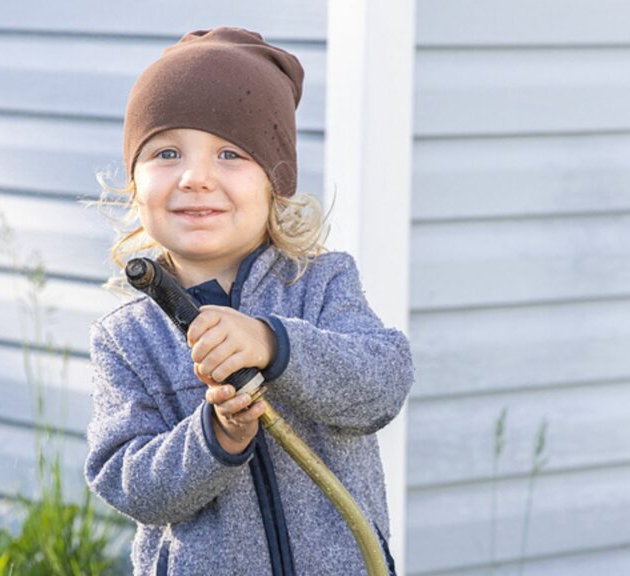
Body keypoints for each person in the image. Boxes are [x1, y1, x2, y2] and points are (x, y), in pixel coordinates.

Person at [84, 27, 413, 575]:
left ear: (275, 182)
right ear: (134, 184)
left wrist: (273, 343)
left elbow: (382, 385)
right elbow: (126, 480)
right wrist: (213, 438)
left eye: (231, 153)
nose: (195, 177)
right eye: (166, 153)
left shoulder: (321, 284)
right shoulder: (127, 338)